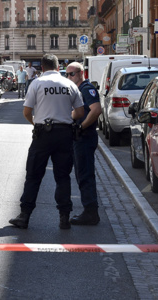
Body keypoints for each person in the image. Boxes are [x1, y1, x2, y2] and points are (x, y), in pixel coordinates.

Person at [9, 54, 85, 230]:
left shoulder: (37, 83)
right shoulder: (69, 85)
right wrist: (66, 118)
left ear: (42, 68)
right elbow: (80, 112)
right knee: (63, 177)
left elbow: (27, 112)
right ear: (59, 67)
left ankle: (25, 216)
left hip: (43, 134)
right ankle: (64, 217)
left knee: (33, 176)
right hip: (65, 134)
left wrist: (37, 123)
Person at [66, 62, 101, 225]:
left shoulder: (87, 89)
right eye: (67, 74)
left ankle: (90, 212)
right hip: (80, 137)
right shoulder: (78, 90)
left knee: (85, 175)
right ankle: (89, 210)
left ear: (81, 73)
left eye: (71, 74)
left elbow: (96, 110)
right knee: (81, 175)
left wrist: (81, 126)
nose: (69, 77)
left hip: (85, 137)